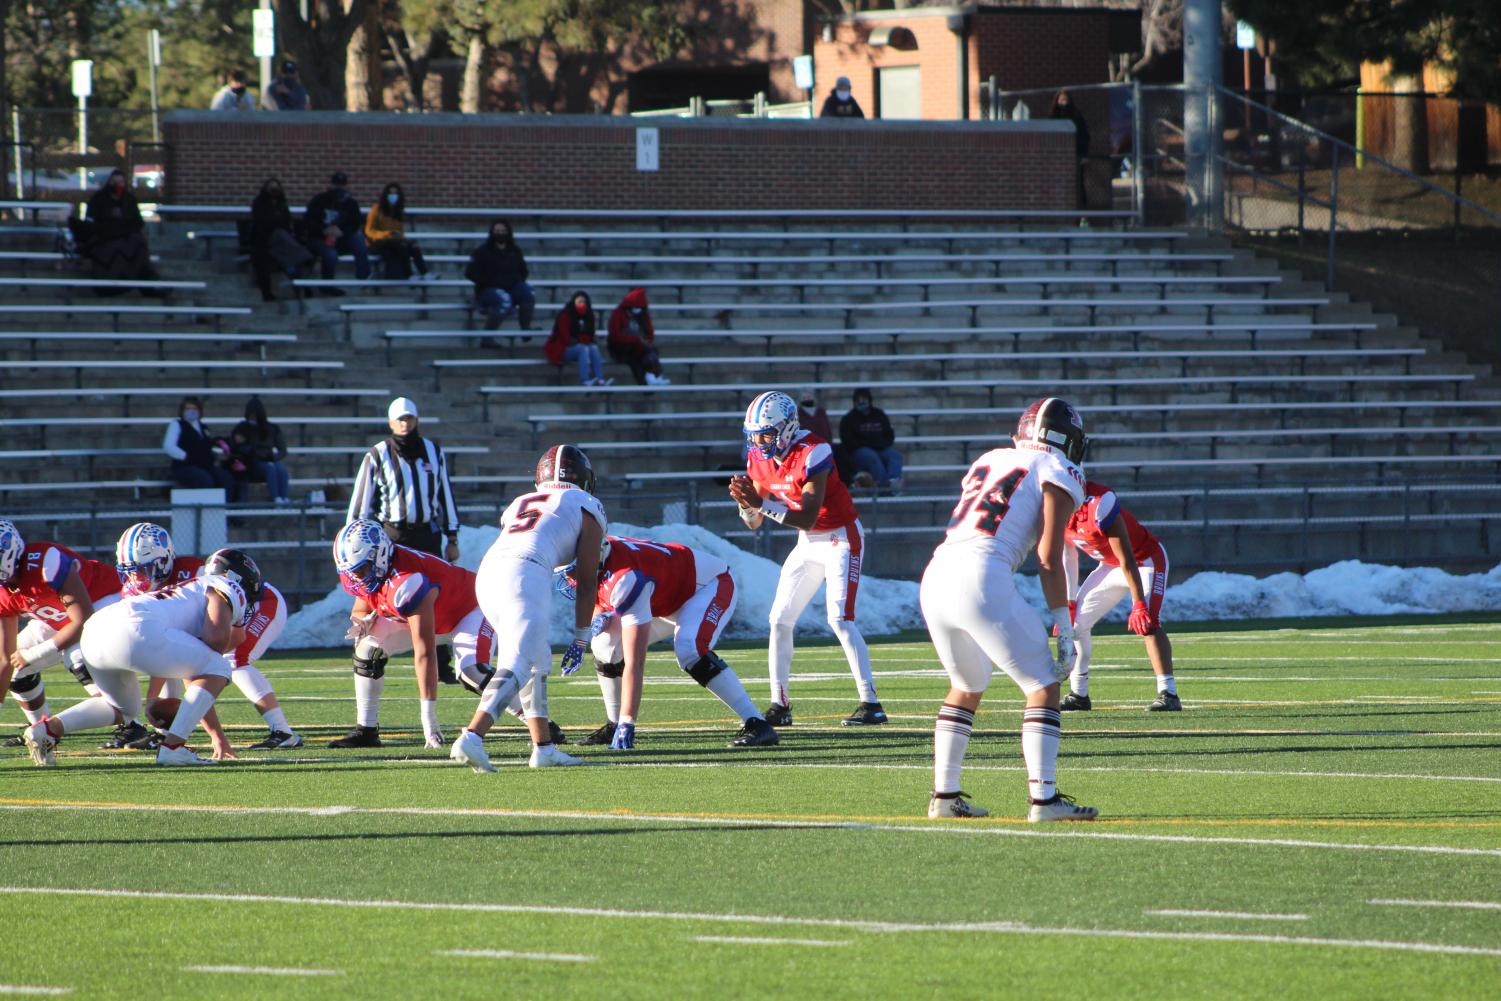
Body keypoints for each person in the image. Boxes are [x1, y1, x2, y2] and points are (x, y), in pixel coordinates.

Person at [919, 398, 1098, 822]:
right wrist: (1064, 625)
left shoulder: (993, 457)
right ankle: (1045, 800)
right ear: (1066, 441)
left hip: (937, 573)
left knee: (966, 684)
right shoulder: (1059, 468)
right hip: (981, 576)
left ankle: (944, 797)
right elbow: (1049, 556)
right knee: (1042, 684)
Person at [727, 391, 886, 727]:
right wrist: (746, 504)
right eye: (754, 434)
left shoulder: (814, 450)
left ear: (786, 428)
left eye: (766, 433)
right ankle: (779, 705)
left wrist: (760, 503)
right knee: (779, 619)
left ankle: (871, 703)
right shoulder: (759, 459)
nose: (759, 441)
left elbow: (809, 517)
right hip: (808, 543)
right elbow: (754, 522)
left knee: (840, 619)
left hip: (841, 536)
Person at [23, 550, 264, 767]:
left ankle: (48, 729)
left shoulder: (190, 590)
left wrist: (216, 738)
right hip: (136, 627)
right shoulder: (226, 586)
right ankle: (172, 748)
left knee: (120, 708)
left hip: (98, 627)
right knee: (219, 666)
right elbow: (216, 642)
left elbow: (199, 664)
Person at [449, 445, 603, 773]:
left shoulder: (520, 502)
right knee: (518, 664)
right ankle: (472, 736)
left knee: (535, 662)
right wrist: (580, 637)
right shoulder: (586, 503)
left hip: (490, 573)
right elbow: (588, 580)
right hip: (525, 573)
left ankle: (543, 748)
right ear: (585, 479)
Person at [565, 536, 777, 750]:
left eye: (574, 570)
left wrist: (628, 723)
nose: (570, 576)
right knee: (605, 646)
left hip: (708, 586)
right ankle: (613, 723)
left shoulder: (625, 579)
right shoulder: (598, 555)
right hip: (662, 596)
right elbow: (596, 596)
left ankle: (757, 723)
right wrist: (598, 617)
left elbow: (635, 663)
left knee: (690, 649)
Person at [113, 523, 303, 750]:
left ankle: (282, 731)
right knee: (177, 660)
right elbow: (164, 652)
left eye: (142, 569)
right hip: (222, 619)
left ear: (163, 561)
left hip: (259, 604)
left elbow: (220, 620)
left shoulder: (192, 572)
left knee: (234, 660)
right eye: (130, 571)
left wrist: (154, 699)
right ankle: (165, 733)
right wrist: (153, 701)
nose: (136, 578)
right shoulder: (132, 591)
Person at [332, 520, 496, 749]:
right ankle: (366, 730)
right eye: (353, 571)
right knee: (367, 651)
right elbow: (362, 599)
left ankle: (538, 721)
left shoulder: (406, 581)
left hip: (470, 610)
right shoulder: (361, 572)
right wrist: (360, 620)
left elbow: (425, 654)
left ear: (379, 556)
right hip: (431, 615)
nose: (357, 576)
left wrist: (428, 721)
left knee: (472, 673)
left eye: (361, 569)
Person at [347, 397, 461, 683]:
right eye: (399, 419)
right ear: (390, 422)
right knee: (384, 593)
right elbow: (361, 502)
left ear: (416, 419)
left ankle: (439, 661)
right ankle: (371, 649)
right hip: (392, 536)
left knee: (434, 595)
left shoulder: (433, 452)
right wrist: (352, 537)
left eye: (409, 418)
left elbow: (445, 494)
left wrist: (452, 535)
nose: (404, 423)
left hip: (427, 533)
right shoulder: (377, 454)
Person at [1060, 480, 1179, 712]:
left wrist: (1139, 604)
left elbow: (1127, 559)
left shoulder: (1099, 503)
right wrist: (1069, 601)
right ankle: (1079, 694)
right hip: (1109, 565)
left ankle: (1169, 693)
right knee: (1075, 624)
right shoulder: (1054, 507)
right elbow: (1068, 555)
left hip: (1144, 561)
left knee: (1148, 623)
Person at [0, 522, 121, 741]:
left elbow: (83, 619)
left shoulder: (45, 561)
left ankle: (131, 723)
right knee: (17, 667)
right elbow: (5, 659)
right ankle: (40, 728)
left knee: (77, 658)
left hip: (104, 602)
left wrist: (34, 654)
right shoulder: (4, 590)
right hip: (59, 618)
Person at [76, 169, 162, 290]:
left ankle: (147, 282)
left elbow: (137, 222)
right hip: (105, 238)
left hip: (127, 237)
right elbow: (91, 221)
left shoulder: (129, 200)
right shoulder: (99, 199)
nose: (117, 186)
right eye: (114, 182)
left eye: (120, 182)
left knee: (140, 245)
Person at [162, 396, 238, 501]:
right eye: (187, 409)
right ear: (182, 411)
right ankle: (206, 514)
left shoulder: (203, 427)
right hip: (185, 466)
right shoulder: (177, 424)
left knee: (226, 479)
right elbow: (168, 446)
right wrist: (185, 456)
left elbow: (207, 445)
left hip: (205, 465)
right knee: (205, 480)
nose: (191, 411)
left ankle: (223, 512)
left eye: (194, 409)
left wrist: (217, 451)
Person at [248, 178, 310, 302]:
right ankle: (268, 293)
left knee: (290, 261)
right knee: (266, 260)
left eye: (276, 188)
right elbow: (262, 223)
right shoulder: (259, 204)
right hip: (265, 242)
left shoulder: (282, 204)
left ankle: (301, 288)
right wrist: (276, 221)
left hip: (282, 243)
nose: (274, 191)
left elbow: (286, 222)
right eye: (271, 188)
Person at [465, 219, 534, 331]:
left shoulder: (515, 251)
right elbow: (470, 273)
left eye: (503, 231)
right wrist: (489, 282)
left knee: (528, 292)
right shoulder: (482, 252)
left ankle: (526, 328)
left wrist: (514, 282)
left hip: (512, 287)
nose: (500, 234)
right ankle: (487, 337)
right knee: (504, 298)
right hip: (488, 290)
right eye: (497, 231)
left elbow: (523, 271)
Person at [303, 171, 371, 285]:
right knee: (330, 254)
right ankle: (328, 285)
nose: (339, 187)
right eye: (336, 184)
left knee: (359, 239)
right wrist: (323, 230)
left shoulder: (351, 203)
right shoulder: (319, 200)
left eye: (342, 184)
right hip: (320, 239)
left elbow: (355, 223)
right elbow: (308, 221)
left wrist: (342, 232)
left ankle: (363, 278)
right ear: (331, 184)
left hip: (342, 239)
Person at [229, 396, 291, 503]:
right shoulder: (242, 428)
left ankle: (284, 497)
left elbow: (283, 450)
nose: (252, 419)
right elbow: (236, 446)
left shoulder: (272, 428)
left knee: (281, 468)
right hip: (252, 463)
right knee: (270, 469)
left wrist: (273, 458)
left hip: (269, 459)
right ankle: (275, 498)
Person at [364, 182, 430, 282]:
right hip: (379, 242)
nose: (393, 196)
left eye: (395, 194)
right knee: (402, 246)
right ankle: (409, 275)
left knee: (413, 247)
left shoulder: (398, 212)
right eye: (390, 194)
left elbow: (399, 232)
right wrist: (387, 234)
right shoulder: (376, 210)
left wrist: (400, 238)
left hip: (395, 242)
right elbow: (369, 231)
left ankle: (425, 273)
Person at [839, 387, 903, 490]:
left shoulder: (879, 414)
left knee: (894, 455)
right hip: (859, 450)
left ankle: (893, 483)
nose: (861, 402)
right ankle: (882, 488)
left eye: (864, 399)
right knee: (872, 457)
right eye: (858, 399)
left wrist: (882, 444)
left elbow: (889, 434)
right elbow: (847, 440)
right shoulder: (849, 419)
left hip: (881, 447)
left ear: (869, 400)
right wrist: (866, 444)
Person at [545, 290, 610, 386]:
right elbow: (565, 339)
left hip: (579, 345)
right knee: (583, 348)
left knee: (594, 348)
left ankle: (600, 379)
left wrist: (582, 339)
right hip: (562, 348)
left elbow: (591, 336)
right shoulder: (565, 315)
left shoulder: (589, 315)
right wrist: (583, 339)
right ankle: (585, 380)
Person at [607, 287, 670, 386]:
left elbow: (650, 334)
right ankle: (653, 377)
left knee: (650, 352)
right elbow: (615, 336)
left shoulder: (643, 315)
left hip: (638, 348)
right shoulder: (618, 314)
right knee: (645, 354)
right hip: (621, 348)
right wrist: (635, 340)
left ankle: (652, 377)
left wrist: (644, 341)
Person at [797, 388, 855, 486]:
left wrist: (827, 444)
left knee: (840, 451)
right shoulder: (798, 414)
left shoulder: (821, 412)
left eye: (809, 396)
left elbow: (827, 430)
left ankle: (849, 481)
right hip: (809, 447)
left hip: (825, 444)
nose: (807, 399)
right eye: (804, 397)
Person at [1050, 89, 1091, 210]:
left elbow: (1084, 136)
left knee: (1077, 185)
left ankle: (1081, 212)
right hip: (1058, 159)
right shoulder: (1053, 117)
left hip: (1076, 157)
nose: (1063, 103)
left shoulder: (1076, 117)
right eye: (1061, 100)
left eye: (1065, 100)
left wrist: (1083, 155)